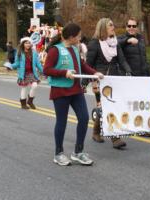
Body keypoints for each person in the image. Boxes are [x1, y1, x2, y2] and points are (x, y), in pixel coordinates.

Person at [43, 23, 104, 166]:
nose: (80, 38)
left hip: (76, 90)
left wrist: (95, 73)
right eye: (78, 36)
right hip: (60, 90)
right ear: (71, 37)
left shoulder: (75, 49)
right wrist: (64, 73)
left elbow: (82, 65)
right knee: (62, 121)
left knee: (83, 118)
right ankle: (58, 153)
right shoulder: (55, 50)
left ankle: (78, 152)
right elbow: (46, 70)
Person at [86, 18, 132, 149]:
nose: (113, 27)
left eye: (113, 24)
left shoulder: (115, 42)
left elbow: (122, 60)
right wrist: (84, 82)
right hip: (99, 80)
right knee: (107, 107)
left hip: (114, 78)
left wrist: (128, 71)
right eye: (110, 25)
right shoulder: (94, 43)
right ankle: (115, 138)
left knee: (108, 107)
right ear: (103, 28)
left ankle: (96, 132)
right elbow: (88, 64)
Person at [118, 17, 150, 137]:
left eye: (134, 26)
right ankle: (133, 127)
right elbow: (116, 45)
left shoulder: (141, 39)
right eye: (129, 26)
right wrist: (127, 41)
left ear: (137, 27)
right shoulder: (121, 38)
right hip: (130, 76)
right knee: (131, 104)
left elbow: (144, 58)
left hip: (143, 75)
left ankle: (142, 127)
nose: (131, 28)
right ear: (126, 27)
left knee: (142, 103)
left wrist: (149, 73)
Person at [11, 37, 43, 110]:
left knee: (34, 86)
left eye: (29, 43)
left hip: (32, 73)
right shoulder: (19, 52)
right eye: (26, 43)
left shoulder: (34, 53)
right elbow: (17, 63)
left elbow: (38, 64)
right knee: (24, 88)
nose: (28, 44)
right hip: (23, 73)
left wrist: (44, 71)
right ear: (23, 44)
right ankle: (23, 103)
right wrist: (10, 66)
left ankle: (30, 101)